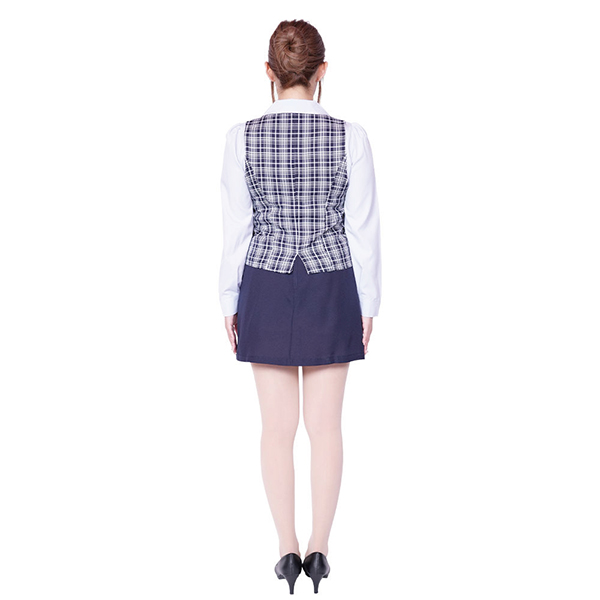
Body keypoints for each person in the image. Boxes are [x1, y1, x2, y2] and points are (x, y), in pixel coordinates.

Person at [218, 19, 382, 594]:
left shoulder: (241, 137)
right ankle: (319, 549)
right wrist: (369, 303)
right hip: (332, 281)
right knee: (326, 427)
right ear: (322, 72)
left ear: (269, 72)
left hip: (264, 282)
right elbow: (363, 229)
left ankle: (285, 548)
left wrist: (229, 300)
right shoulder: (351, 137)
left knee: (275, 429)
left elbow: (236, 229)